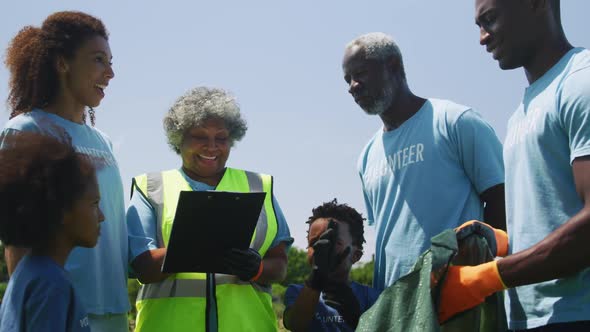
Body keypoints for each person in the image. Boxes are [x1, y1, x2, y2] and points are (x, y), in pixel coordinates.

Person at [438, 1, 590, 330]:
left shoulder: (581, 82)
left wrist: (486, 278)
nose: (482, 37)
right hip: (525, 319)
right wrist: (500, 242)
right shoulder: (520, 113)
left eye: (489, 20)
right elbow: (557, 215)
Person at [341, 32, 506, 292]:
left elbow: (502, 199)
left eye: (360, 73)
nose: (352, 86)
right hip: (395, 306)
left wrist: (478, 276)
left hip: (458, 301)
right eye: (347, 79)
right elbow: (389, 239)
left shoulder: (455, 122)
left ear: (392, 65)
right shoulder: (367, 156)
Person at [1, 11, 130, 331]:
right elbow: (17, 237)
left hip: (113, 311)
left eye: (111, 62)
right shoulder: (26, 130)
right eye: (99, 60)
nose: (110, 73)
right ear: (62, 63)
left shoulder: (104, 143)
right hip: (57, 311)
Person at [126, 86, 293, 332]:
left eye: (221, 138)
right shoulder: (150, 188)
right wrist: (195, 246)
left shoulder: (259, 186)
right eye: (200, 136)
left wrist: (257, 268)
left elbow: (279, 264)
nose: (212, 147)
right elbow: (143, 266)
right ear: (178, 138)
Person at [0, 132, 104, 331]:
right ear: (62, 210)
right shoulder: (50, 285)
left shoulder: (33, 272)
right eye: (94, 204)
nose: (101, 216)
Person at [283, 199, 380, 332]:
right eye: (314, 243)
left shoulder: (371, 297)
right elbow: (295, 324)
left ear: (356, 255)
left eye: (334, 242)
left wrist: (359, 318)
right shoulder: (297, 292)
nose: (322, 248)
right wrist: (316, 279)